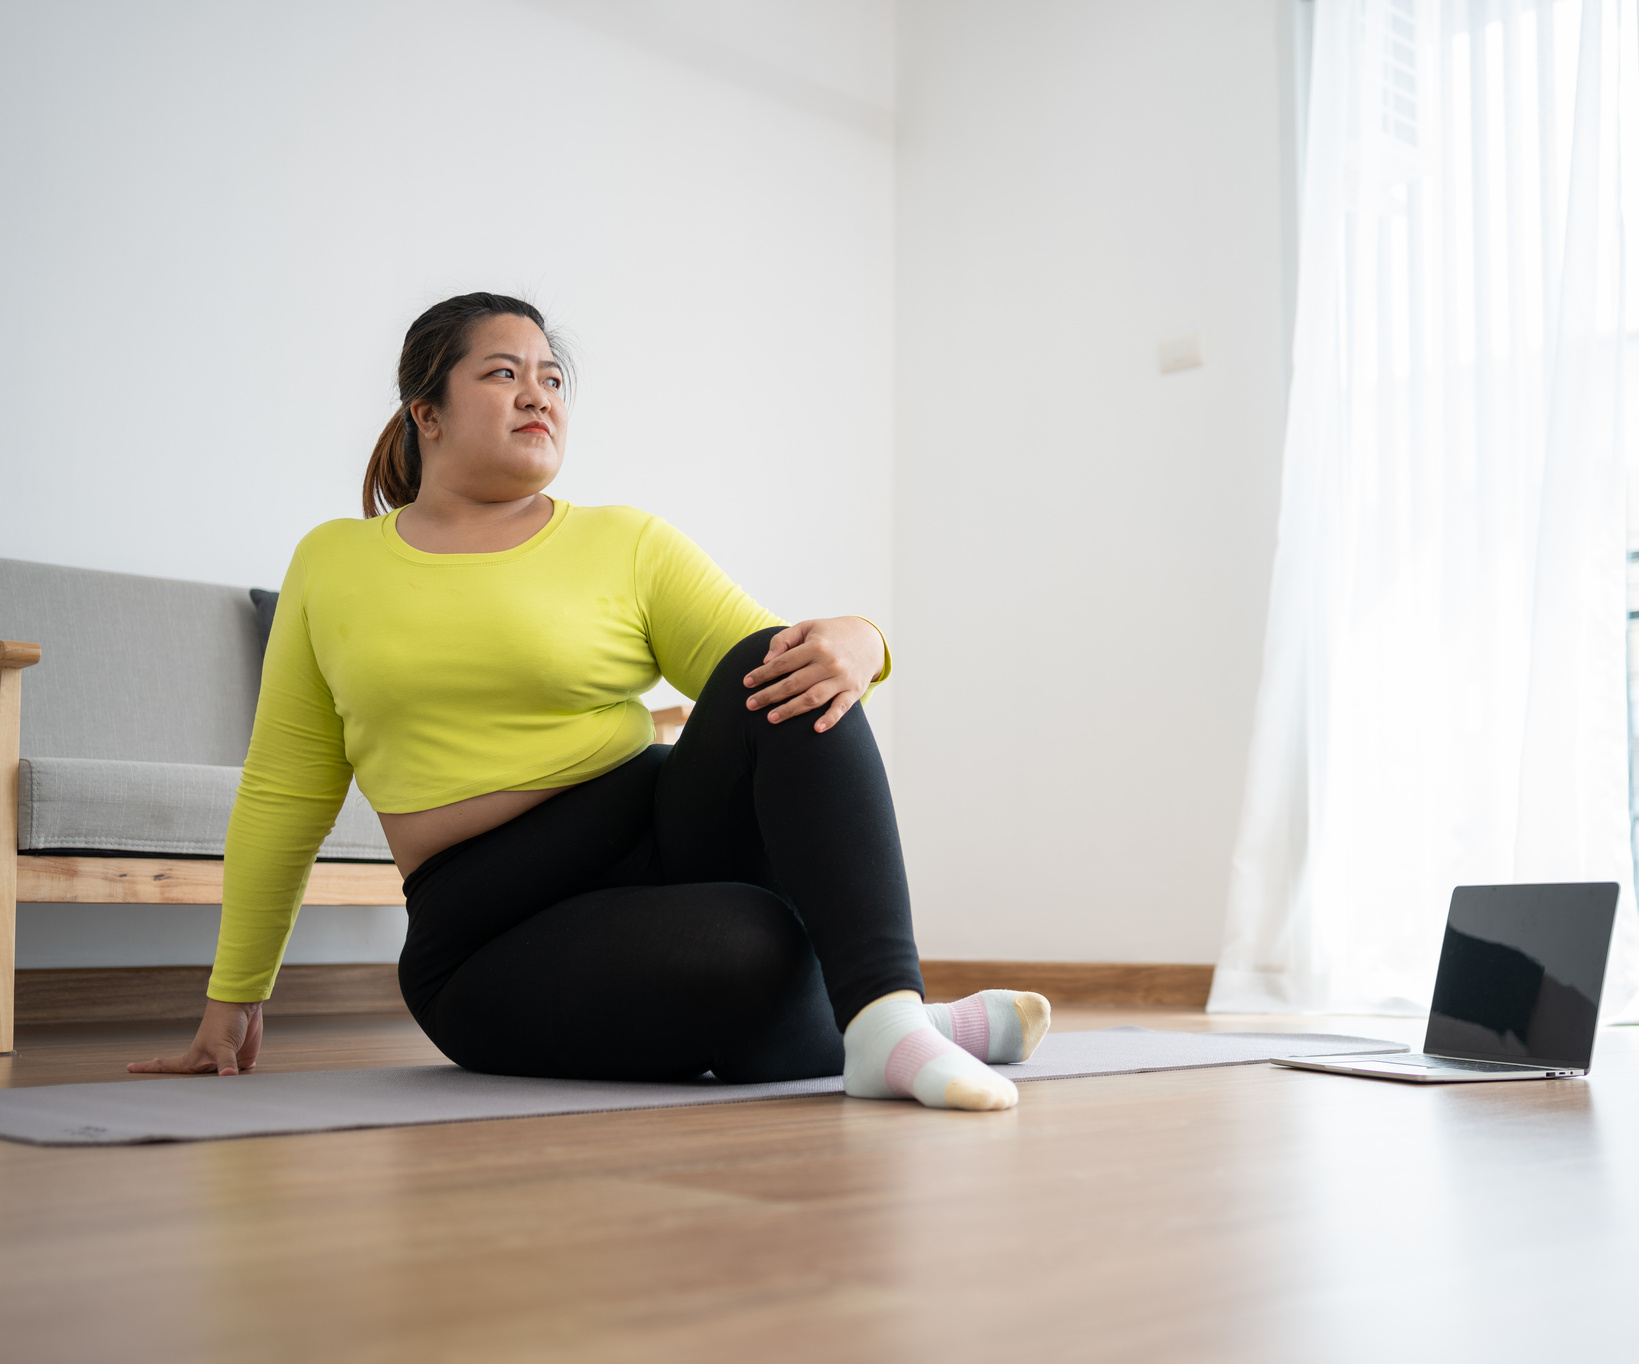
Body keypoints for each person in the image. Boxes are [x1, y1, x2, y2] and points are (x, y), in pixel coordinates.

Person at [129, 292, 1046, 1110]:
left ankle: (887, 1017)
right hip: (488, 929)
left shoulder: (627, 542)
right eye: (503, 373)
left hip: (657, 835)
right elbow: (286, 788)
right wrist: (232, 995)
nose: (539, 394)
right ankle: (926, 1027)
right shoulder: (335, 562)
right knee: (753, 949)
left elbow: (783, 677)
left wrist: (864, 637)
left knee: (778, 663)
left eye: (552, 377)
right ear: (427, 415)